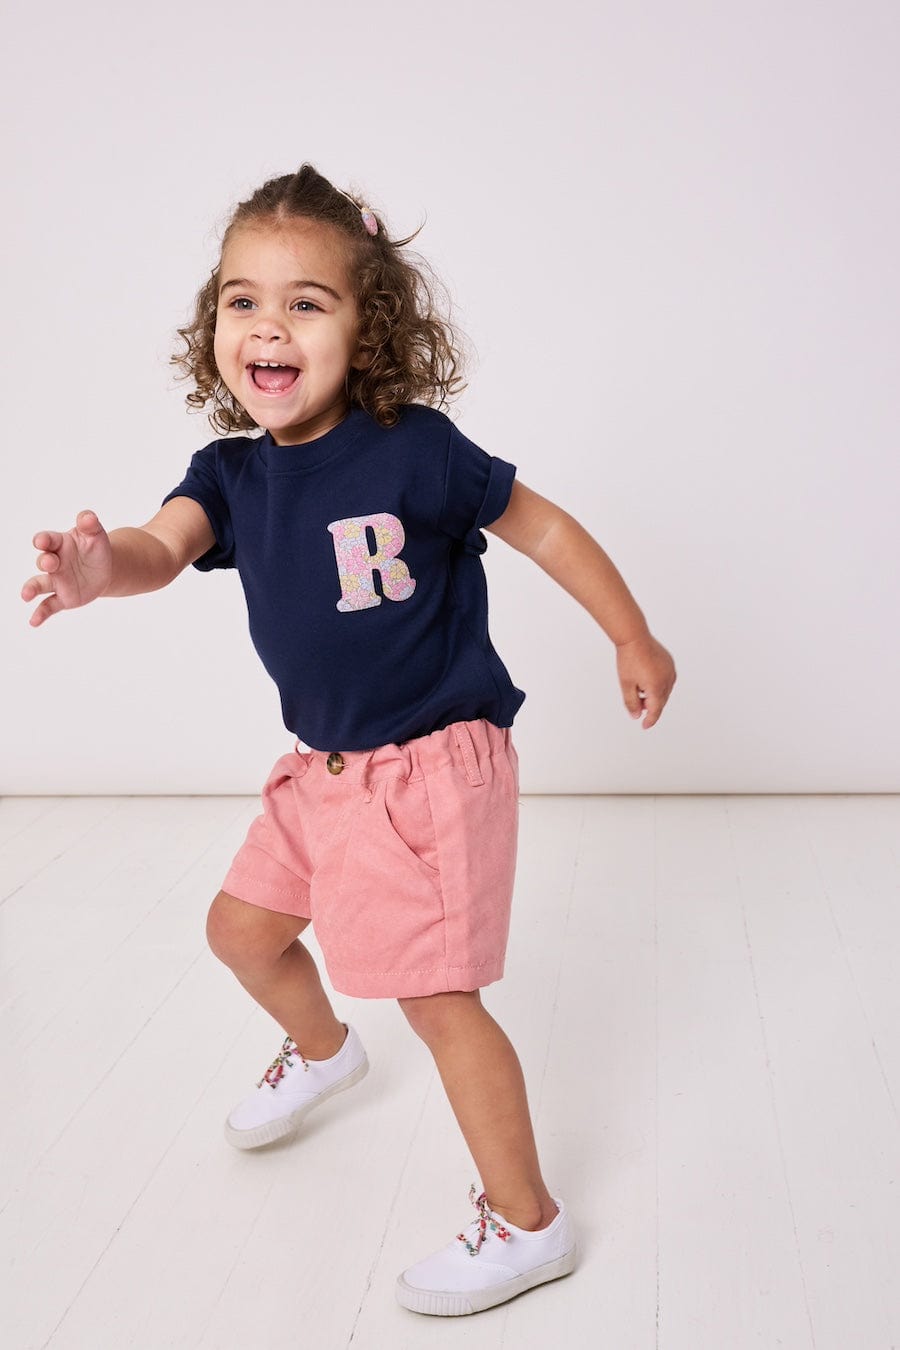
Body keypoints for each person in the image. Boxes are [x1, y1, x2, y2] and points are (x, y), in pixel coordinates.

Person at [21, 163, 676, 1317]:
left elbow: (542, 528)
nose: (269, 325)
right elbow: (159, 549)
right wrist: (96, 567)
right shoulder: (231, 475)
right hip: (319, 772)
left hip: (432, 770)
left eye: (306, 302)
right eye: (243, 300)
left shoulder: (415, 450)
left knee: (439, 1000)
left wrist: (630, 633)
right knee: (240, 932)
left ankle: (529, 1222)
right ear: (214, 325)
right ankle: (325, 1050)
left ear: (367, 329)